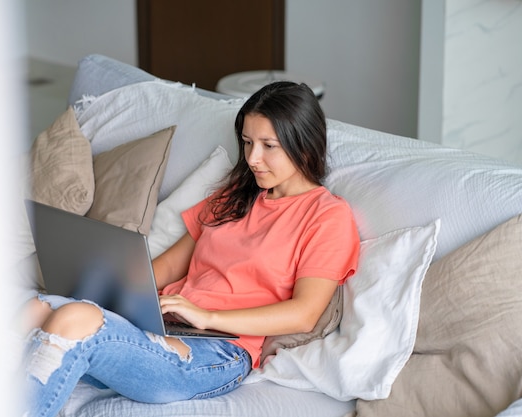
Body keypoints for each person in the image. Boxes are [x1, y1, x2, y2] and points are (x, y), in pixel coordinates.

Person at [21, 81, 360, 417]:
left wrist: (208, 316)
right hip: (163, 324)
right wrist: (102, 283)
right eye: (247, 142)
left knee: (73, 318)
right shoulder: (233, 197)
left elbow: (304, 313)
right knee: (33, 310)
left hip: (219, 351)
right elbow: (166, 268)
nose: (253, 158)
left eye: (268, 145)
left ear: (304, 145)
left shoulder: (327, 216)